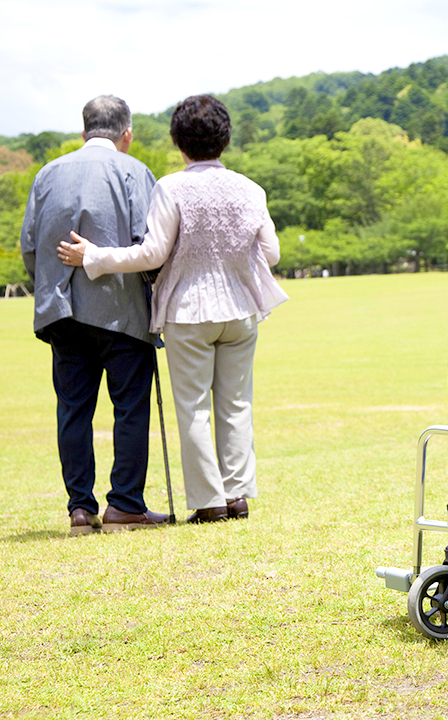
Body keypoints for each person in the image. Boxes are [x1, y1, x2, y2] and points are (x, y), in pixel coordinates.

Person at [58, 94, 289, 524]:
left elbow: (152, 253)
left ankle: (209, 501)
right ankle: (238, 494)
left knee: (195, 406)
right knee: (237, 404)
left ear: (179, 142)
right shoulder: (250, 188)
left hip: (189, 310)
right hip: (240, 309)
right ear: (226, 138)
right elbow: (271, 253)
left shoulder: (172, 186)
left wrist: (95, 256)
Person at [21, 95, 170, 535]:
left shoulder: (47, 173)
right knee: (129, 407)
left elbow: (30, 247)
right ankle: (124, 505)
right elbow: (151, 243)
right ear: (126, 134)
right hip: (121, 309)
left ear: (84, 131)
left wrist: (52, 283)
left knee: (72, 409)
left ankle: (80, 510)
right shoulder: (134, 171)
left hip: (62, 309)